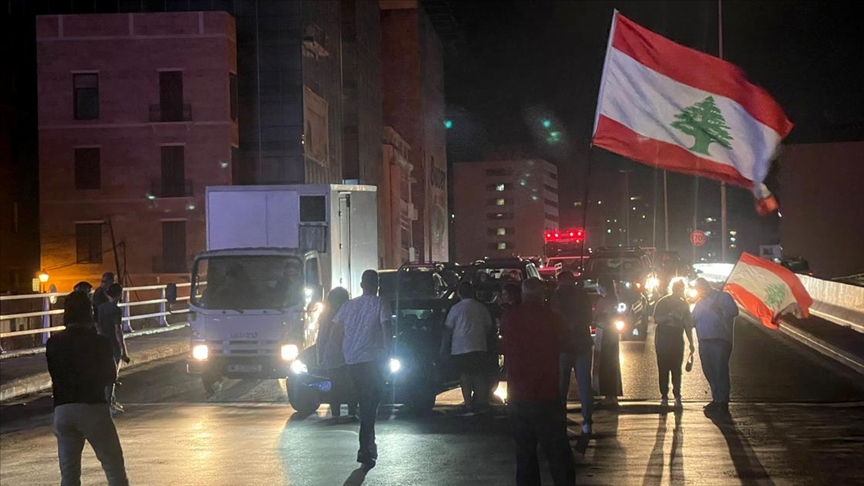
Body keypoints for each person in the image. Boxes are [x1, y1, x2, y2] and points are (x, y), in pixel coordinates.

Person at [46, 291, 129, 486]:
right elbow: (111, 376)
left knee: (69, 474)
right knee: (114, 468)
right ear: (89, 313)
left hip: (63, 411)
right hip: (93, 408)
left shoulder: (53, 343)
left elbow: (54, 374)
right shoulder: (100, 342)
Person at [502, 278, 575, 486]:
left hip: (518, 394)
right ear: (542, 294)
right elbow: (568, 343)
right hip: (547, 393)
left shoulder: (511, 318)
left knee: (525, 455)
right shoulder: (552, 318)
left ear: (523, 294)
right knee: (557, 453)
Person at [333, 270, 393, 469]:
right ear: (376, 284)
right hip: (373, 360)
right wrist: (389, 352)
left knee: (365, 401)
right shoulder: (380, 303)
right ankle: (364, 447)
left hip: (352, 362)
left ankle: (370, 444)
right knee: (371, 404)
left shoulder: (348, 305)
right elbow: (386, 328)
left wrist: (342, 351)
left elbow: (335, 331)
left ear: (361, 284)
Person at [552, 271, 594, 435]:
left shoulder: (556, 296)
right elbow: (589, 318)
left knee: (562, 386)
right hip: (583, 343)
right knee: (585, 384)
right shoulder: (582, 295)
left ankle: (560, 418)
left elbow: (554, 317)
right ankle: (587, 420)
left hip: (563, 345)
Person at [691, 278, 738, 416]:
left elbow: (734, 311)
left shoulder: (723, 298)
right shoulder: (700, 303)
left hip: (720, 339)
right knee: (709, 369)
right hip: (704, 340)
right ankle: (716, 397)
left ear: (706, 286)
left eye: (700, 288)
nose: (699, 291)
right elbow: (692, 321)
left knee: (719, 369)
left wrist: (721, 310)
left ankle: (722, 400)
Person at [445, 282, 494, 414]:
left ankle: (468, 404)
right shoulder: (481, 308)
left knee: (465, 376)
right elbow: (488, 326)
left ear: (460, 293)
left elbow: (448, 328)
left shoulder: (456, 308)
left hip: (460, 347)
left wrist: (444, 348)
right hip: (479, 345)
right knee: (479, 375)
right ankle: (481, 402)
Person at [316, 287, 358, 422]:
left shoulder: (326, 315)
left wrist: (319, 356)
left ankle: (335, 414)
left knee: (335, 385)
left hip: (331, 352)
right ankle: (351, 413)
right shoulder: (350, 312)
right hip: (349, 351)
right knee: (351, 384)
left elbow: (321, 337)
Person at [652, 279, 695, 410]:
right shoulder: (663, 302)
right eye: (677, 288)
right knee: (663, 368)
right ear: (673, 288)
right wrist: (670, 316)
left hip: (676, 338)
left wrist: (691, 343)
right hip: (664, 339)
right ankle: (664, 396)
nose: (679, 290)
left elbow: (688, 325)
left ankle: (677, 396)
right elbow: (656, 319)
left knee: (676, 369)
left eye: (681, 288)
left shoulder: (684, 305)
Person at [96, 284, 130, 415]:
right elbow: (118, 330)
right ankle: (109, 403)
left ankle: (110, 401)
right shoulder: (116, 310)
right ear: (119, 294)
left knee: (105, 373)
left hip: (102, 342)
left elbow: (98, 326)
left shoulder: (101, 308)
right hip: (113, 344)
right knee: (112, 375)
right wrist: (124, 351)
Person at [595, 276, 623, 406]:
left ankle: (607, 395)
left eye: (599, 286)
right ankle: (613, 395)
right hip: (612, 333)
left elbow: (597, 317)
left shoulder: (604, 301)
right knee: (612, 363)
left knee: (605, 363)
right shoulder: (615, 299)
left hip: (605, 333)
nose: (597, 288)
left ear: (603, 287)